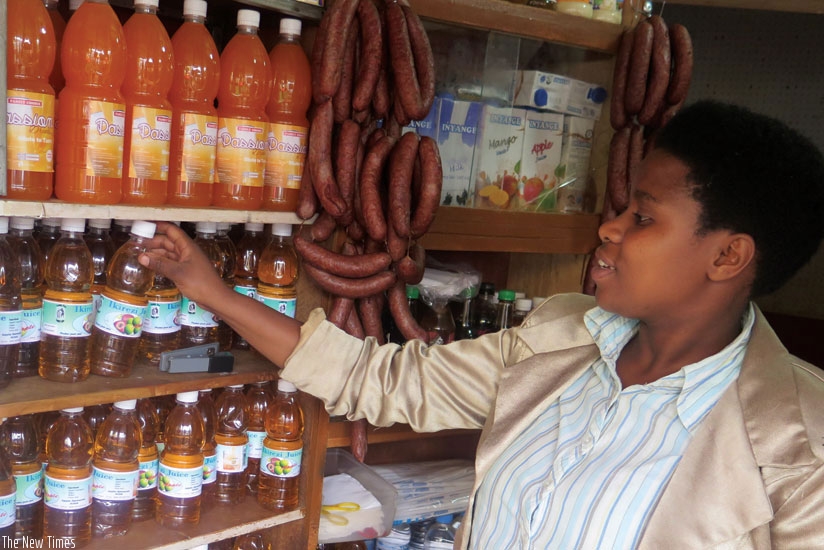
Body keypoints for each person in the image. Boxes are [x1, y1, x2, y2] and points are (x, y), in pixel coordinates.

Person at [139, 101, 824, 549]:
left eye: (642, 218)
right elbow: (374, 379)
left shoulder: (803, 448)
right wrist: (208, 287)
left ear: (729, 256)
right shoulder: (561, 338)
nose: (608, 229)